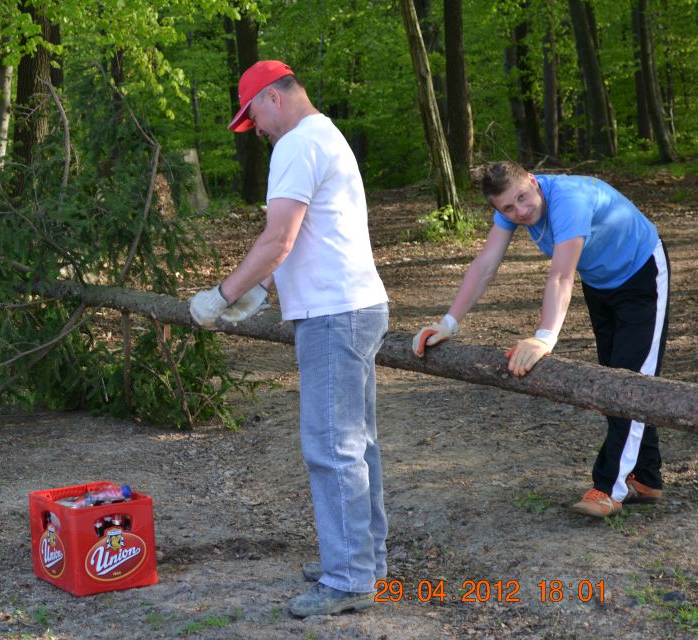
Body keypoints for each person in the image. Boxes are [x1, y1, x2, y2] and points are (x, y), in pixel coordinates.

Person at [188, 60, 390, 617]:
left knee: (332, 447)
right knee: (357, 442)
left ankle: (350, 577)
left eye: (251, 115)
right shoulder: (326, 135)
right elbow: (313, 236)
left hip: (335, 315)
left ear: (273, 98)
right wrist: (267, 288)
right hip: (353, 306)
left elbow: (278, 238)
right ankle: (364, 558)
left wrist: (223, 295)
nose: (254, 128)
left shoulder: (297, 145)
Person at [412, 160, 670, 519]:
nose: (520, 211)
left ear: (533, 181)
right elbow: (486, 263)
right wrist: (449, 323)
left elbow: (561, 276)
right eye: (507, 208)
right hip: (601, 284)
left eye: (522, 197)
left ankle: (610, 487)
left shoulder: (570, 199)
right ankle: (647, 477)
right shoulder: (513, 207)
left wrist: (543, 339)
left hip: (643, 276)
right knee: (616, 374)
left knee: (631, 384)